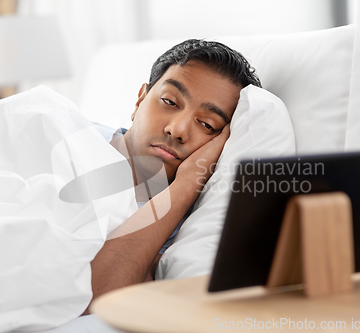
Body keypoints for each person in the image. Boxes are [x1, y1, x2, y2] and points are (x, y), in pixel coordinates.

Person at [85, 39, 261, 313]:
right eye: (169, 101)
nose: (178, 130)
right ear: (140, 100)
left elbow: (95, 298)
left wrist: (189, 182)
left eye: (207, 124)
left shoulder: (184, 229)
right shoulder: (68, 136)